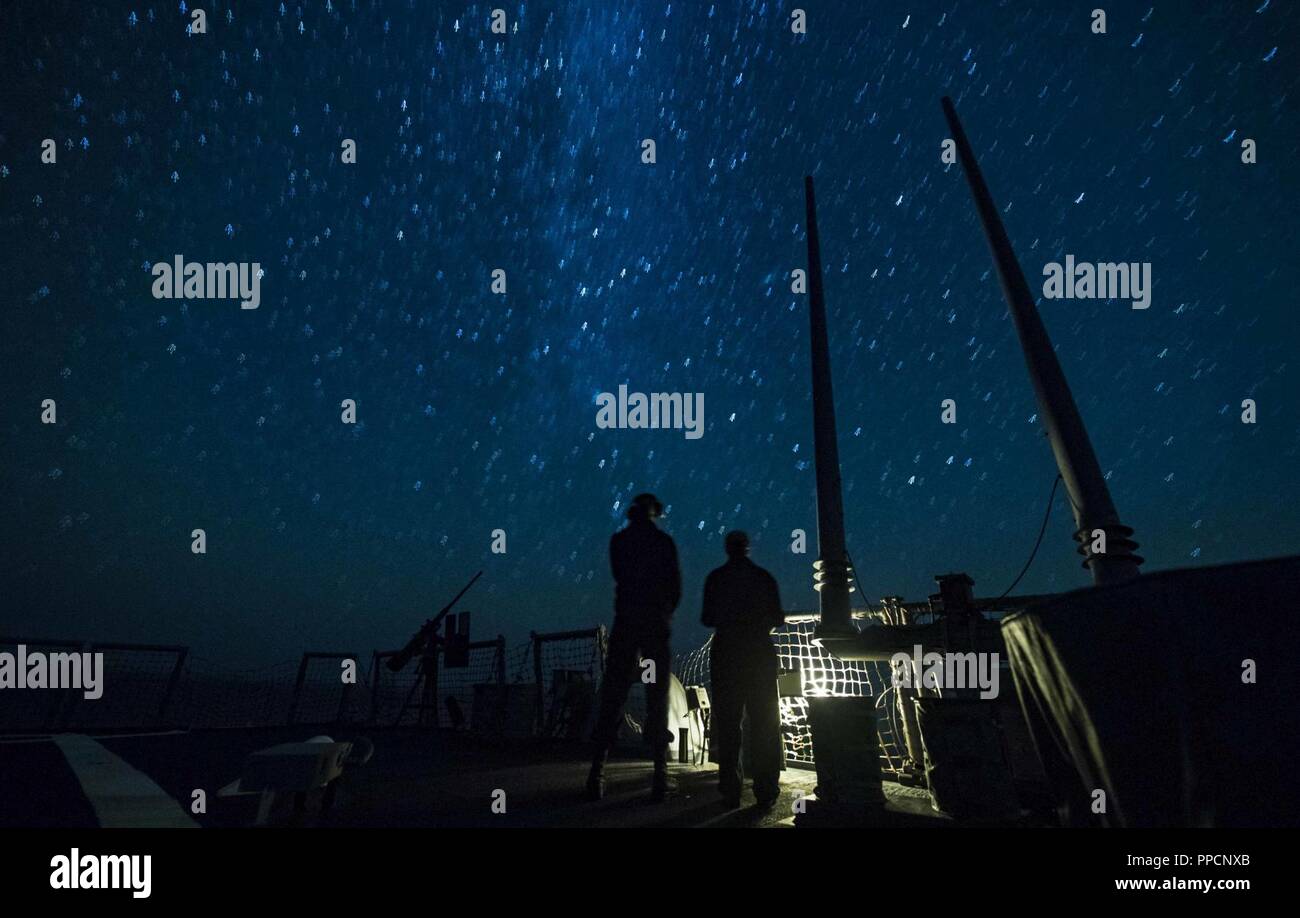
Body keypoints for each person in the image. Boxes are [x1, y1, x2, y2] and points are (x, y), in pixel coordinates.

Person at [586, 493, 682, 801]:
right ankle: (659, 774)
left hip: (626, 622)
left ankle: (597, 773)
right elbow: (675, 586)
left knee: (614, 695)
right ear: (655, 512)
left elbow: (619, 576)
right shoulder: (664, 543)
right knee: (657, 698)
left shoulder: (619, 542)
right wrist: (664, 611)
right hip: (655, 624)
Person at [702, 530, 785, 808]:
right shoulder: (764, 578)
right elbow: (778, 617)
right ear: (748, 548)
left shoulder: (716, 579)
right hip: (760, 655)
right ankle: (766, 789)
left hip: (726, 655)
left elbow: (707, 617)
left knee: (728, 725)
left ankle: (730, 789)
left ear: (727, 549)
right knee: (765, 723)